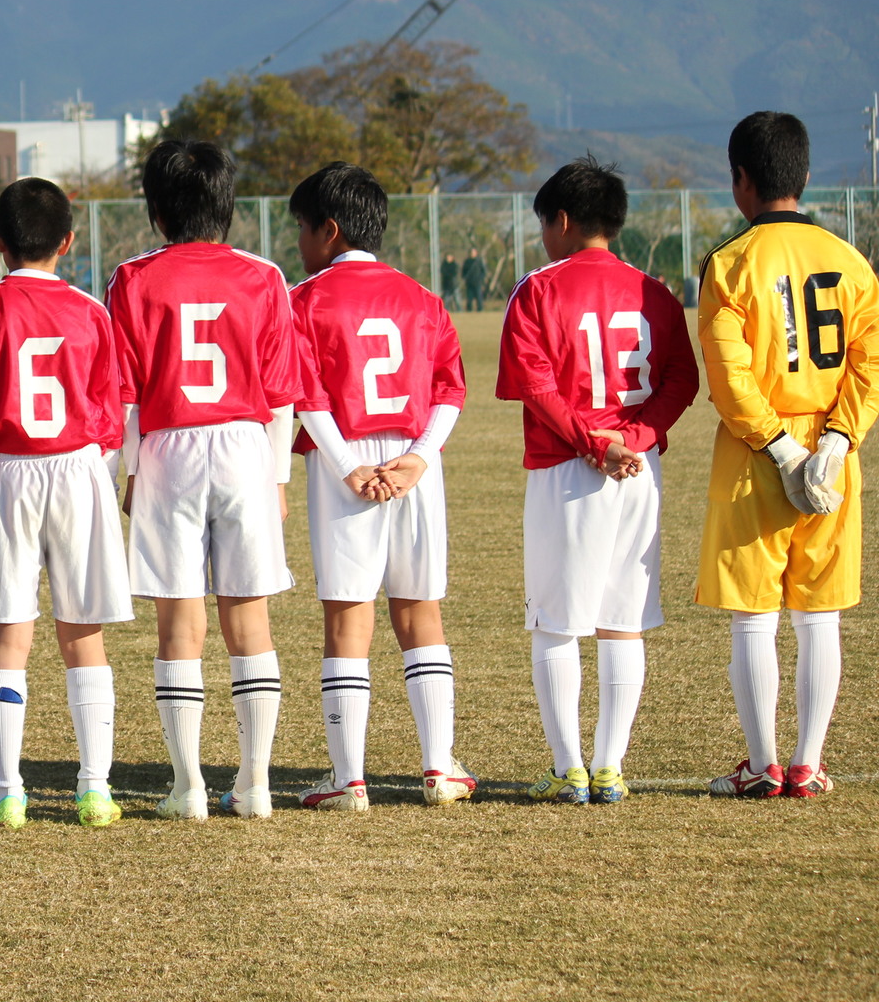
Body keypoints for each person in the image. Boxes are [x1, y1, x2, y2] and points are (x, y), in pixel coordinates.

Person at [497, 157, 697, 804]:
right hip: (640, 470)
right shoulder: (655, 291)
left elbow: (534, 383)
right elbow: (682, 381)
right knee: (622, 619)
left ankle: (567, 767)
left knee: (556, 620)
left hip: (569, 469)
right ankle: (609, 765)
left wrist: (595, 442)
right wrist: (633, 439)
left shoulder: (538, 287)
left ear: (560, 220)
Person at [107, 139, 296, 821]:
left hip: (167, 448)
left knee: (178, 621)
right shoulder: (265, 275)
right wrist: (277, 476)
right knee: (249, 616)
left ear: (155, 210)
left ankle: (187, 786)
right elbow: (281, 394)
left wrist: (128, 470)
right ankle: (255, 783)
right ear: (229, 207)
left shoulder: (131, 277)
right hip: (246, 443)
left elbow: (122, 392)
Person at [697, 113, 877, 799]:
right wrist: (834, 441)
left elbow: (729, 372)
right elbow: (871, 361)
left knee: (754, 612)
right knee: (818, 611)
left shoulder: (732, 263)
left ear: (741, 180)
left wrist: (781, 448)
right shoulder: (852, 261)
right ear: (804, 176)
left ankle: (762, 763)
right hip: (834, 452)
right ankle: (807, 762)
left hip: (757, 452)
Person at [286, 163, 473, 812]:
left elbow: (304, 393)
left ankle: (349, 777)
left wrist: (346, 465)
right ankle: (439, 766)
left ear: (328, 230)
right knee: (421, 611)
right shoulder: (422, 296)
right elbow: (452, 386)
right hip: (416, 463)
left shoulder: (304, 298)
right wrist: (419, 458)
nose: (300, 243)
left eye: (302, 230)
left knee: (347, 616)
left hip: (348, 461)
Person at [0, 178, 130, 829]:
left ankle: (7, 791)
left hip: (7, 471)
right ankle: (94, 787)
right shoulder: (90, 311)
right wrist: (97, 471)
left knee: (7, 632)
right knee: (84, 632)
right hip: (79, 467)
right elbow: (113, 412)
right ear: (69, 241)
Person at [462, 249, 487, 313]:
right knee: (469, 298)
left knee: (479, 297)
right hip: (469, 283)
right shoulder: (467, 262)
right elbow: (463, 272)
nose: (472, 254)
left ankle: (480, 309)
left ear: (476, 253)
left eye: (473, 252)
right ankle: (469, 309)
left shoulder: (479, 261)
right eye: (471, 252)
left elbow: (483, 272)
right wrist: (465, 278)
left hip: (477, 282)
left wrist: (480, 279)